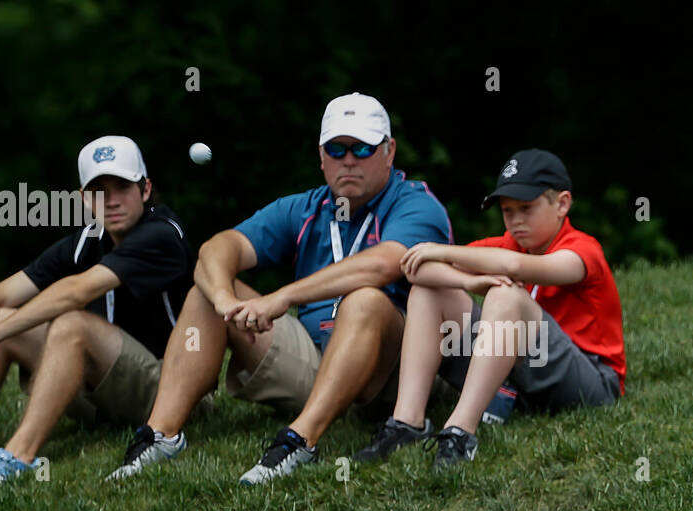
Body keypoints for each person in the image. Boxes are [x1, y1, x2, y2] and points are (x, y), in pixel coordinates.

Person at [105, 92, 452, 485]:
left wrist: (284, 296)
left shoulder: (414, 202)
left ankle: (300, 440)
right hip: (319, 358)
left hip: (391, 370)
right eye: (337, 148)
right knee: (206, 286)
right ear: (321, 156)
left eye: (363, 148)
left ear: (389, 151)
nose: (349, 159)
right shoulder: (306, 207)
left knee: (366, 300)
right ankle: (161, 434)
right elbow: (218, 248)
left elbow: (385, 262)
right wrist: (224, 300)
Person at [0, 136, 195, 493]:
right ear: (83, 199)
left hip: (171, 392)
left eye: (123, 186)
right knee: (2, 320)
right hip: (106, 394)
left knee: (70, 324)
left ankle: (18, 457)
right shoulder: (85, 241)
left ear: (146, 189)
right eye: (99, 190)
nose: (112, 200)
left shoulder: (162, 233)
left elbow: (77, 290)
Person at [351, 149, 624, 468]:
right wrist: (470, 283)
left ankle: (460, 432)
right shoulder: (508, 243)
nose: (516, 220)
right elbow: (414, 270)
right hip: (525, 375)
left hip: (589, 383)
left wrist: (442, 251)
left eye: (526, 208)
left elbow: (514, 265)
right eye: (508, 211)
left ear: (562, 204)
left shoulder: (583, 249)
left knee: (505, 294)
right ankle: (407, 421)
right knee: (430, 290)